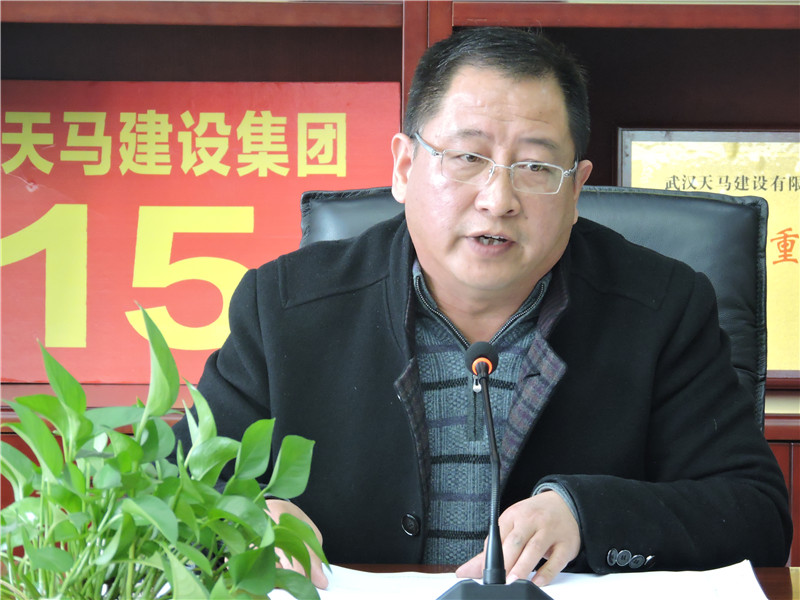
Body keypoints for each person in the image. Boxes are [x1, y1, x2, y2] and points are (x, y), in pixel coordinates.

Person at [172, 27, 792, 589]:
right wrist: (245, 514)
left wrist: (587, 516)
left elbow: (755, 516)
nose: (498, 199)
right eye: (468, 158)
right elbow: (170, 488)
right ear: (405, 166)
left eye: (535, 166)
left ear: (576, 189)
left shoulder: (662, 308)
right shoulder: (285, 306)